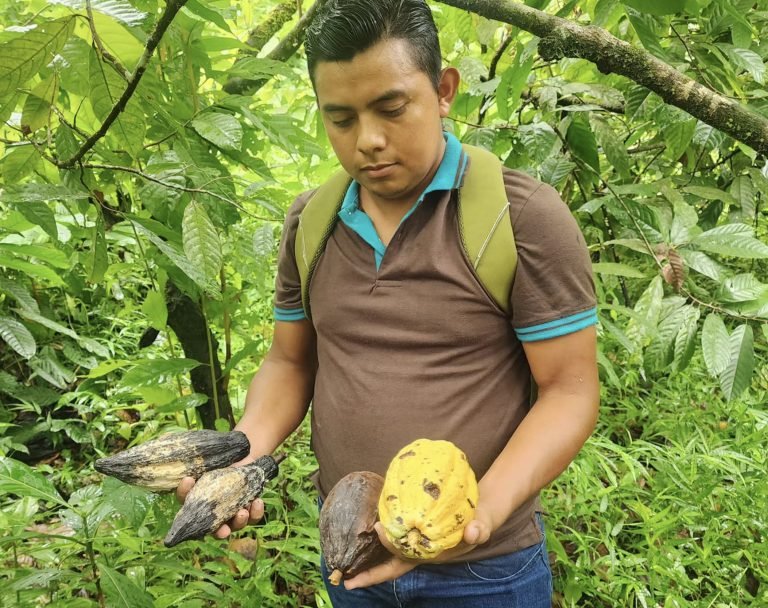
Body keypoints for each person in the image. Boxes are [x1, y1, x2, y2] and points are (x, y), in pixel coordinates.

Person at [178, 0, 600, 605]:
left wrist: (471, 520)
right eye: (341, 119)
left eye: (391, 108)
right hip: (350, 547)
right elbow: (291, 362)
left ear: (444, 89)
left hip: (484, 569)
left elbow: (570, 389)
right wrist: (241, 461)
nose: (368, 141)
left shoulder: (522, 219)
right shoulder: (312, 222)